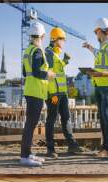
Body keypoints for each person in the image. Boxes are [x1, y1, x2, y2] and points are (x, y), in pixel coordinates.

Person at [82, 18, 108, 160]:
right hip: (100, 85)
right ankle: (105, 147)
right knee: (103, 117)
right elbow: (99, 54)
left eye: (96, 32)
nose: (95, 35)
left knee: (107, 116)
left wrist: (98, 73)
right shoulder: (104, 46)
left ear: (100, 31)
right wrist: (90, 48)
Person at [20, 22, 56, 167]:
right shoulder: (37, 51)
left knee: (30, 124)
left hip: (30, 90)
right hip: (36, 92)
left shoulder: (28, 50)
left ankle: (27, 154)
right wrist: (49, 74)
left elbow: (25, 72)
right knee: (30, 125)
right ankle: (24, 156)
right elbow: (35, 72)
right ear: (42, 36)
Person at [44, 27, 83, 158]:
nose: (64, 42)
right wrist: (51, 93)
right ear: (55, 39)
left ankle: (72, 145)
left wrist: (65, 61)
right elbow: (48, 74)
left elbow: (58, 70)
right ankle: (50, 149)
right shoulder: (48, 53)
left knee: (66, 119)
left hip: (62, 93)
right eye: (63, 39)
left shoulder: (55, 54)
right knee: (51, 120)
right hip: (54, 94)